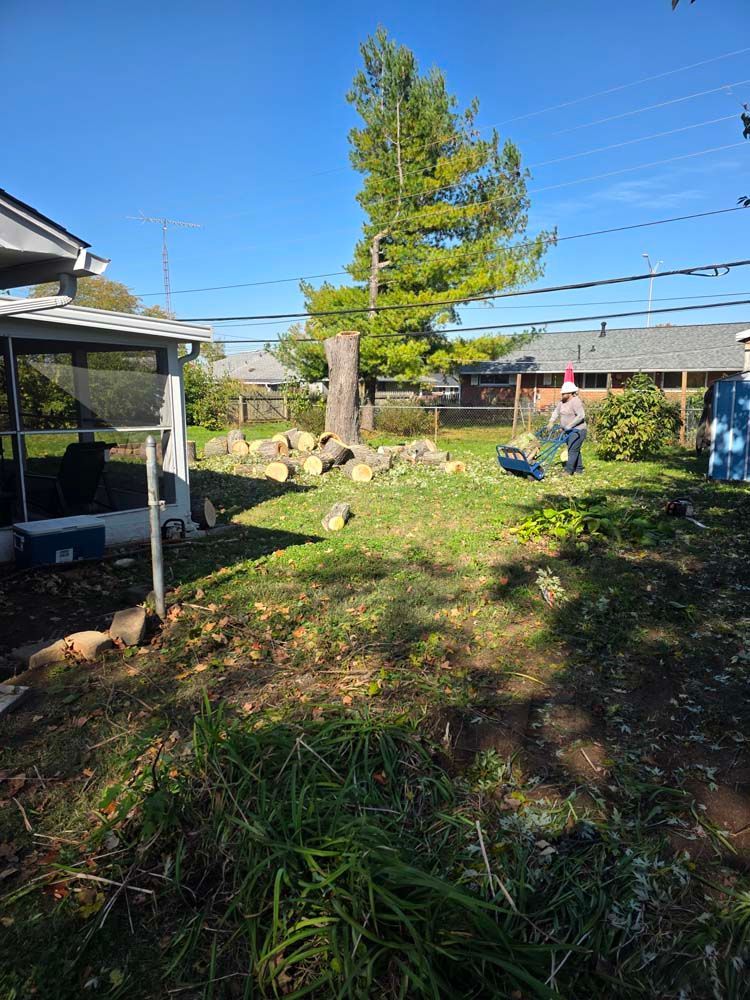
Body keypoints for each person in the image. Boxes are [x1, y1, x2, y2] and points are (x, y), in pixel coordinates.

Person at [547, 381, 587, 475]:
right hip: (568, 430)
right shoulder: (562, 402)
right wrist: (551, 421)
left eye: (564, 393)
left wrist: (569, 426)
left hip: (578, 430)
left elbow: (581, 415)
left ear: (570, 393)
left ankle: (568, 471)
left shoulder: (575, 401)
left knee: (572, 450)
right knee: (574, 449)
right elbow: (556, 412)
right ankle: (579, 469)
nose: (562, 394)